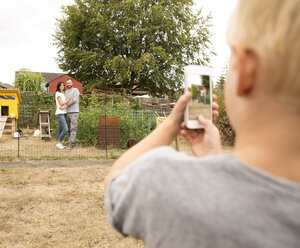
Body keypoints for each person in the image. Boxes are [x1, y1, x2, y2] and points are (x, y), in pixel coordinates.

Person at [104, 0, 300, 247]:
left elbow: (114, 181)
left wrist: (173, 123)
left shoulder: (163, 178)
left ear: (248, 70)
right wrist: (213, 159)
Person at [55, 81, 71, 149]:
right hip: (60, 114)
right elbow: (61, 103)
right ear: (58, 86)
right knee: (65, 129)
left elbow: (58, 104)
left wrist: (64, 107)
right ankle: (59, 142)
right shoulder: (58, 93)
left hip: (63, 112)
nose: (62, 86)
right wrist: (68, 99)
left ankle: (58, 143)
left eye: (63, 85)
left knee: (60, 128)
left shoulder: (62, 93)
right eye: (61, 85)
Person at [64, 78, 80, 148]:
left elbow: (74, 100)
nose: (68, 84)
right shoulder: (66, 92)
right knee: (68, 128)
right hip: (67, 112)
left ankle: (72, 144)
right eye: (67, 83)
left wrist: (67, 105)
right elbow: (64, 101)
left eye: (70, 83)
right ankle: (70, 142)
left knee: (73, 128)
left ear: (72, 83)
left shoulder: (75, 90)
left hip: (74, 112)